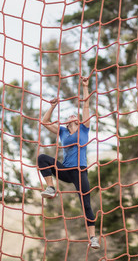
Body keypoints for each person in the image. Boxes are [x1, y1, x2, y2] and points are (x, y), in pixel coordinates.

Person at [37, 76, 99, 250]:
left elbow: (86, 105)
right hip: (65, 170)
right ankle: (50, 187)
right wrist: (53, 106)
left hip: (80, 171)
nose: (72, 116)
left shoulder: (84, 129)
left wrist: (85, 87)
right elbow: (44, 122)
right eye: (70, 115)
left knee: (86, 204)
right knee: (42, 158)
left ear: (78, 120)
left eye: (75, 115)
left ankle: (93, 238)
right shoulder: (63, 132)